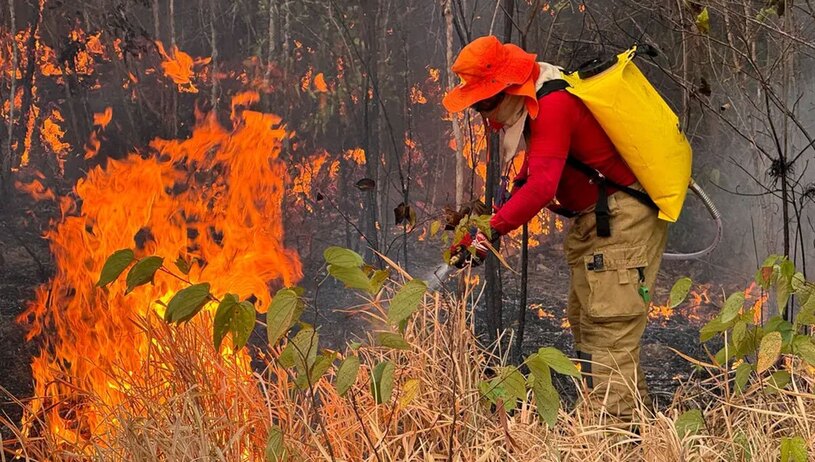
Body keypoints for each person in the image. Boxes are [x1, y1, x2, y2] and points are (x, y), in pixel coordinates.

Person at [442, 35, 668, 423]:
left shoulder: (554, 105)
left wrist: (492, 231)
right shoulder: (541, 100)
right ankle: (637, 425)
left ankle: (609, 436)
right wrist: (488, 220)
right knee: (589, 326)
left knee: (608, 332)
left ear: (509, 89)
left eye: (484, 103)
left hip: (621, 218)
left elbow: (543, 186)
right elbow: (534, 174)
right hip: (599, 221)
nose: (483, 115)